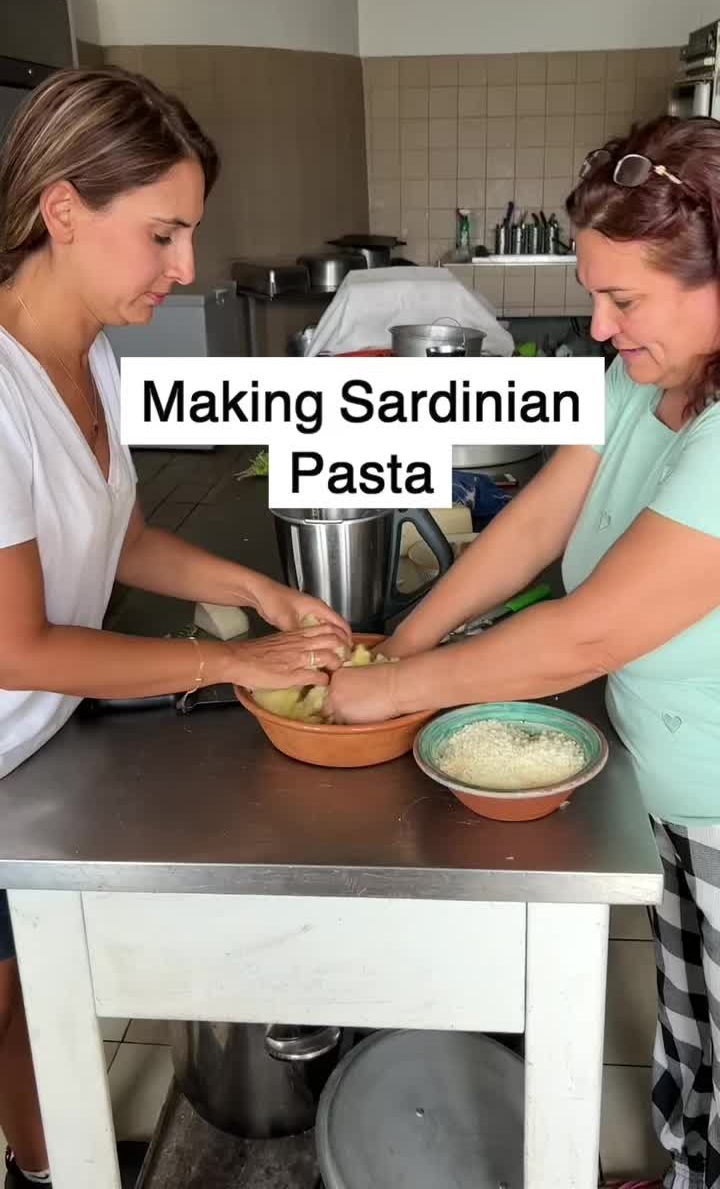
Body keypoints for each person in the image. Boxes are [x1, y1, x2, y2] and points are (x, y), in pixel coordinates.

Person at [327, 115, 720, 1189]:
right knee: (693, 1021)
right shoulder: (647, 381)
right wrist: (401, 641)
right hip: (675, 788)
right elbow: (537, 523)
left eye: (624, 299)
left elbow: (589, 631)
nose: (598, 326)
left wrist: (389, 693)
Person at [0, 66, 350, 1187]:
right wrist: (232, 659)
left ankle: (46, 1162)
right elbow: (18, 645)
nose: (186, 266)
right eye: (163, 234)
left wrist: (259, 590)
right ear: (63, 210)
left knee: (28, 999)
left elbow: (123, 536)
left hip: (30, 750)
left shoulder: (92, 354)